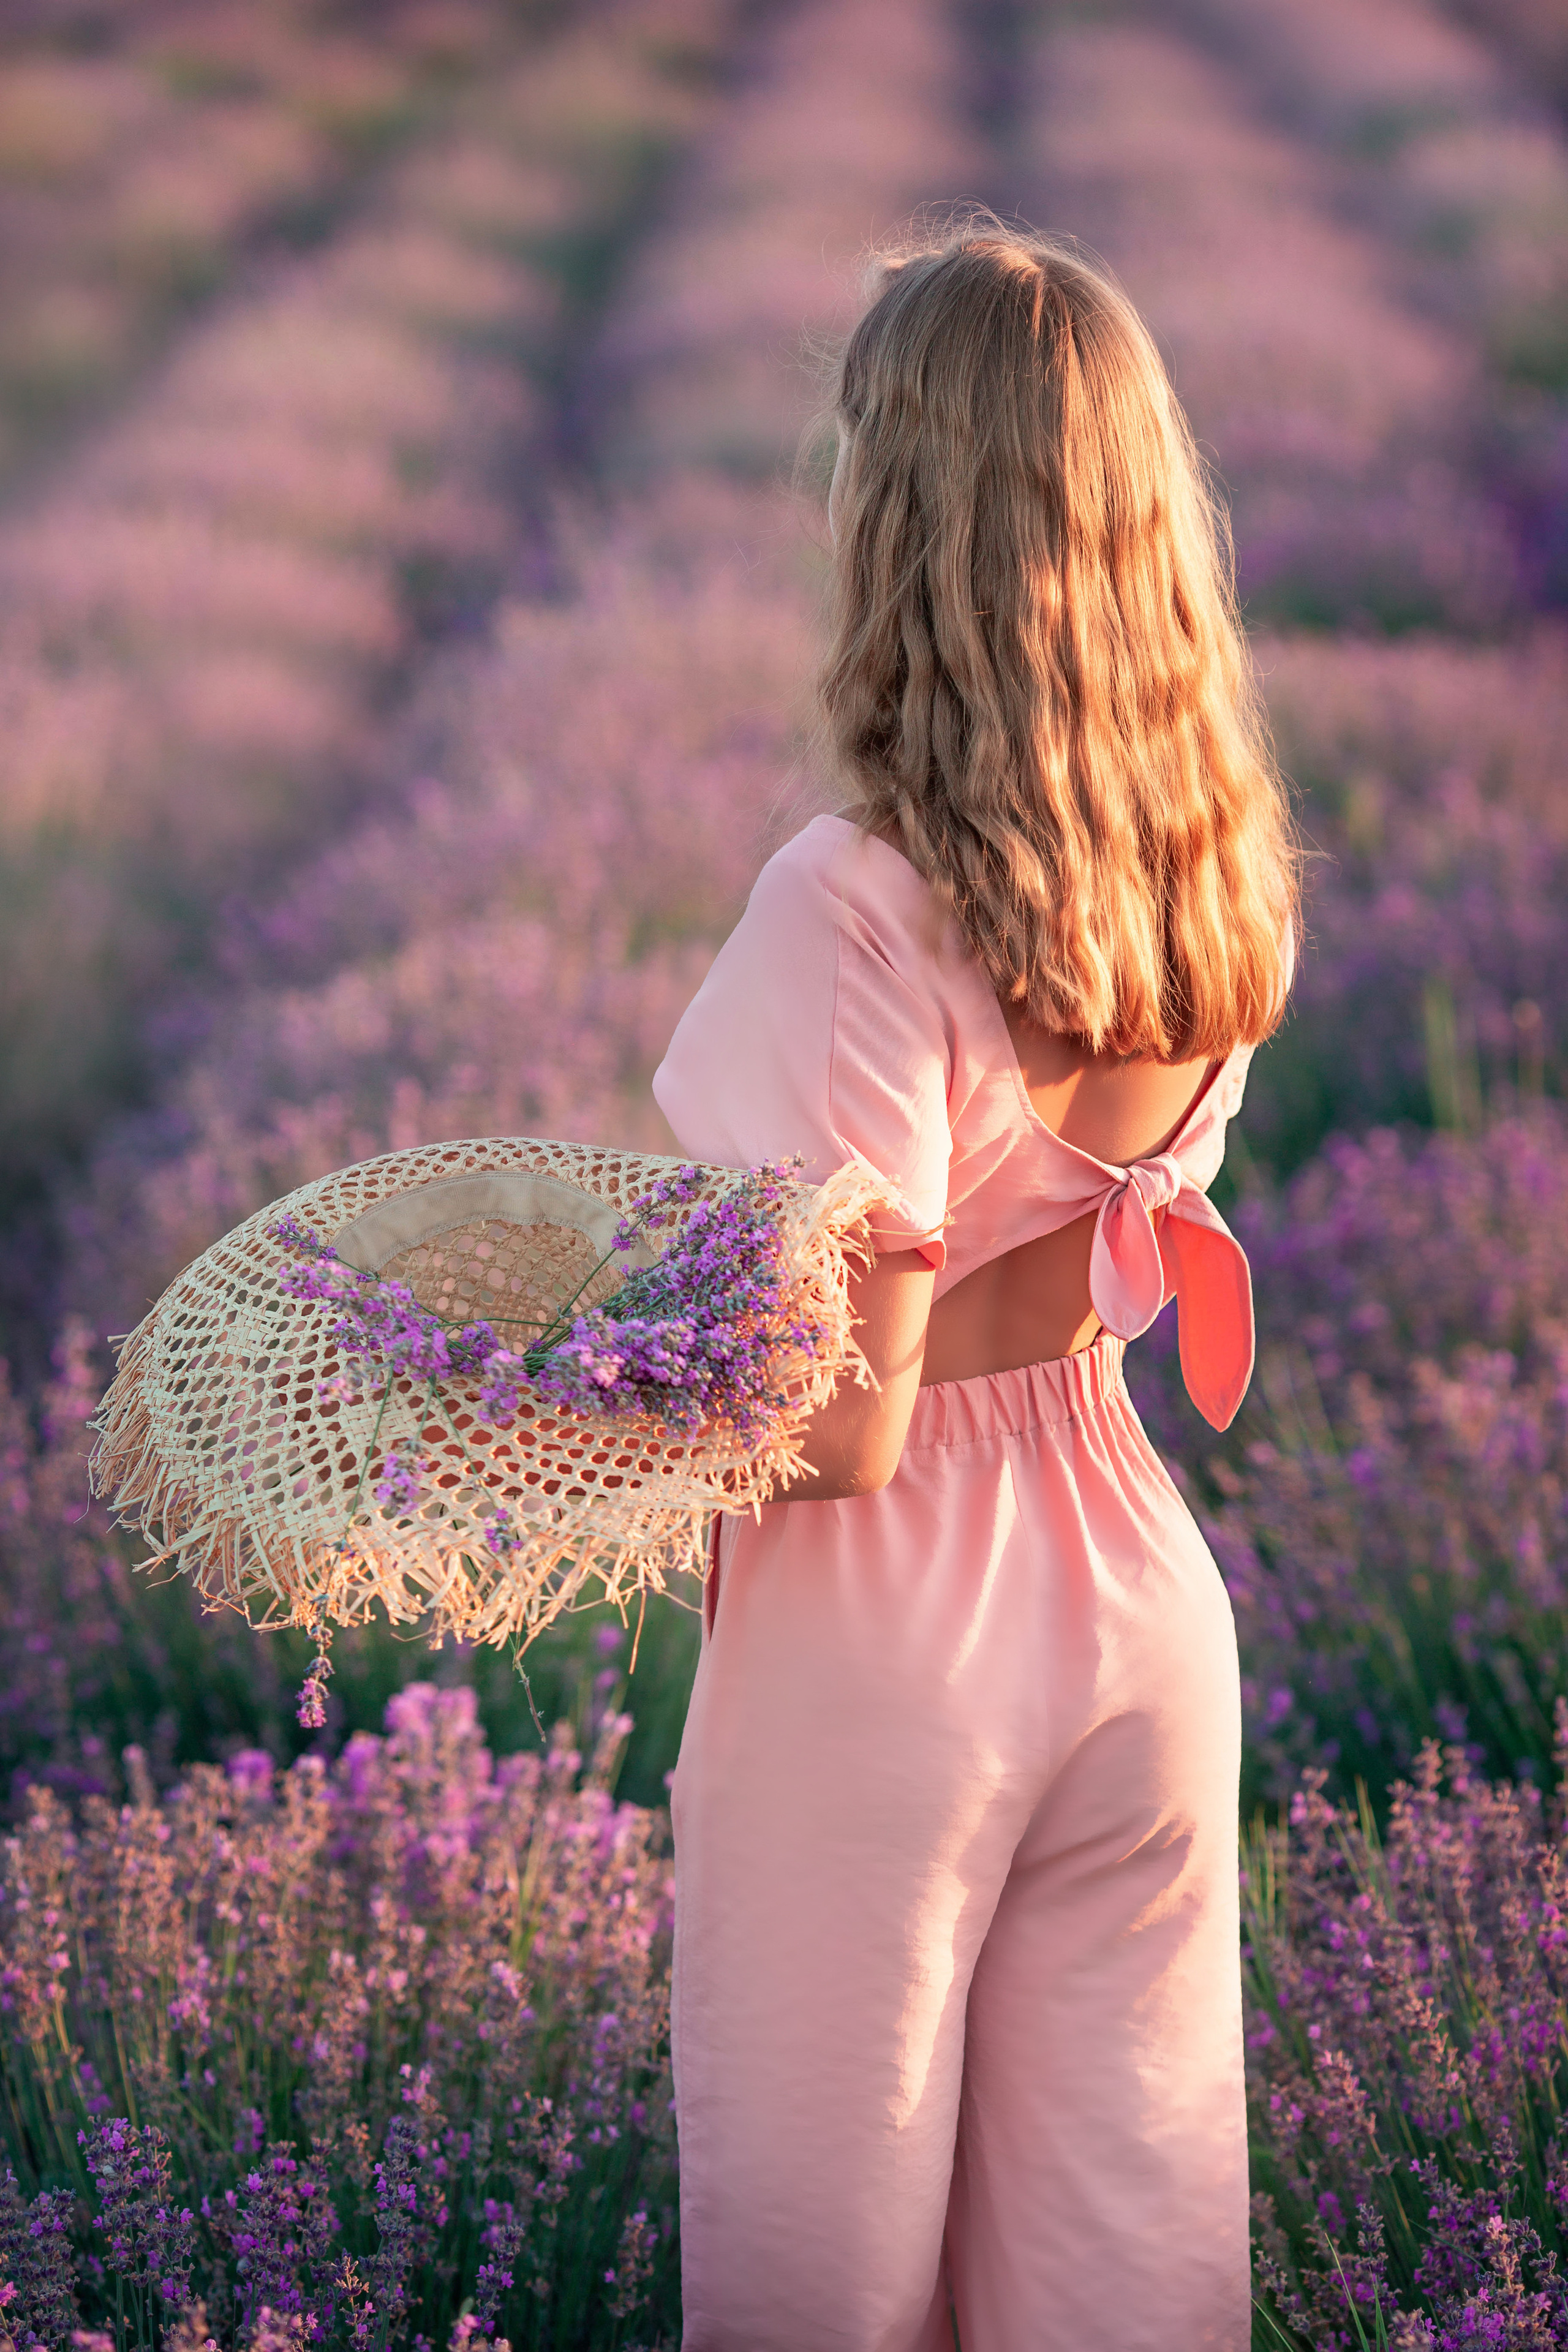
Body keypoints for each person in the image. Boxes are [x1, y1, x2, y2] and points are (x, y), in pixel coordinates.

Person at [652, 219, 1298, 2352]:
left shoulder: (856, 903)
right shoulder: (1214, 871)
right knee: (1124, 2270)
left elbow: (844, 1421)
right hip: (1131, 1584)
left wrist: (561, 1418)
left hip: (888, 1626)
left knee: (818, 2276)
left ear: (899, 514)